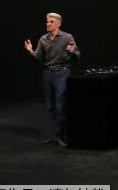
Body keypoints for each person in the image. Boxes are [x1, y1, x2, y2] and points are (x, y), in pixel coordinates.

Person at [23, 12, 81, 147]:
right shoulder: (43, 39)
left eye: (51, 21)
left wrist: (73, 51)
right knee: (51, 106)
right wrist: (30, 51)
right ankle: (55, 136)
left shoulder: (67, 37)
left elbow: (78, 56)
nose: (48, 23)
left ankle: (61, 136)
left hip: (62, 73)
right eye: (47, 21)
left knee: (61, 105)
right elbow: (38, 58)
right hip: (48, 74)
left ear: (58, 24)